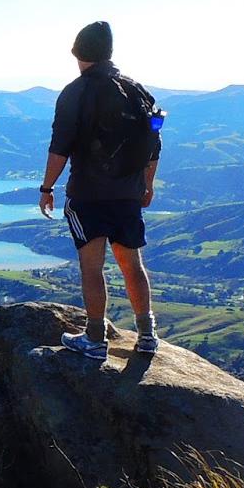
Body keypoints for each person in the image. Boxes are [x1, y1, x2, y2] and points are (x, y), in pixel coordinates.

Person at [36, 21, 161, 360]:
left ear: (78, 53)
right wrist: (146, 185)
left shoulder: (75, 92)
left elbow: (59, 147)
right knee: (132, 264)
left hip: (88, 196)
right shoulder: (135, 90)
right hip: (127, 195)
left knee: (92, 267)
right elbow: (153, 144)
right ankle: (147, 335)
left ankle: (94, 339)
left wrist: (47, 187)